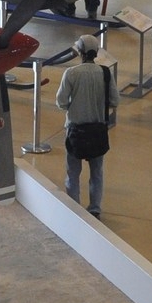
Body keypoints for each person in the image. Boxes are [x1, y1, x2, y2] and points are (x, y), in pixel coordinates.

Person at [55, 35, 116, 216]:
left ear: (79, 52)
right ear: (96, 52)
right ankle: (95, 208)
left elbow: (61, 101)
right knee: (96, 172)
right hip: (98, 130)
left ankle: (74, 208)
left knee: (73, 172)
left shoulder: (71, 73)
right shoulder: (105, 73)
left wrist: (73, 107)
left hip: (75, 130)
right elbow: (115, 100)